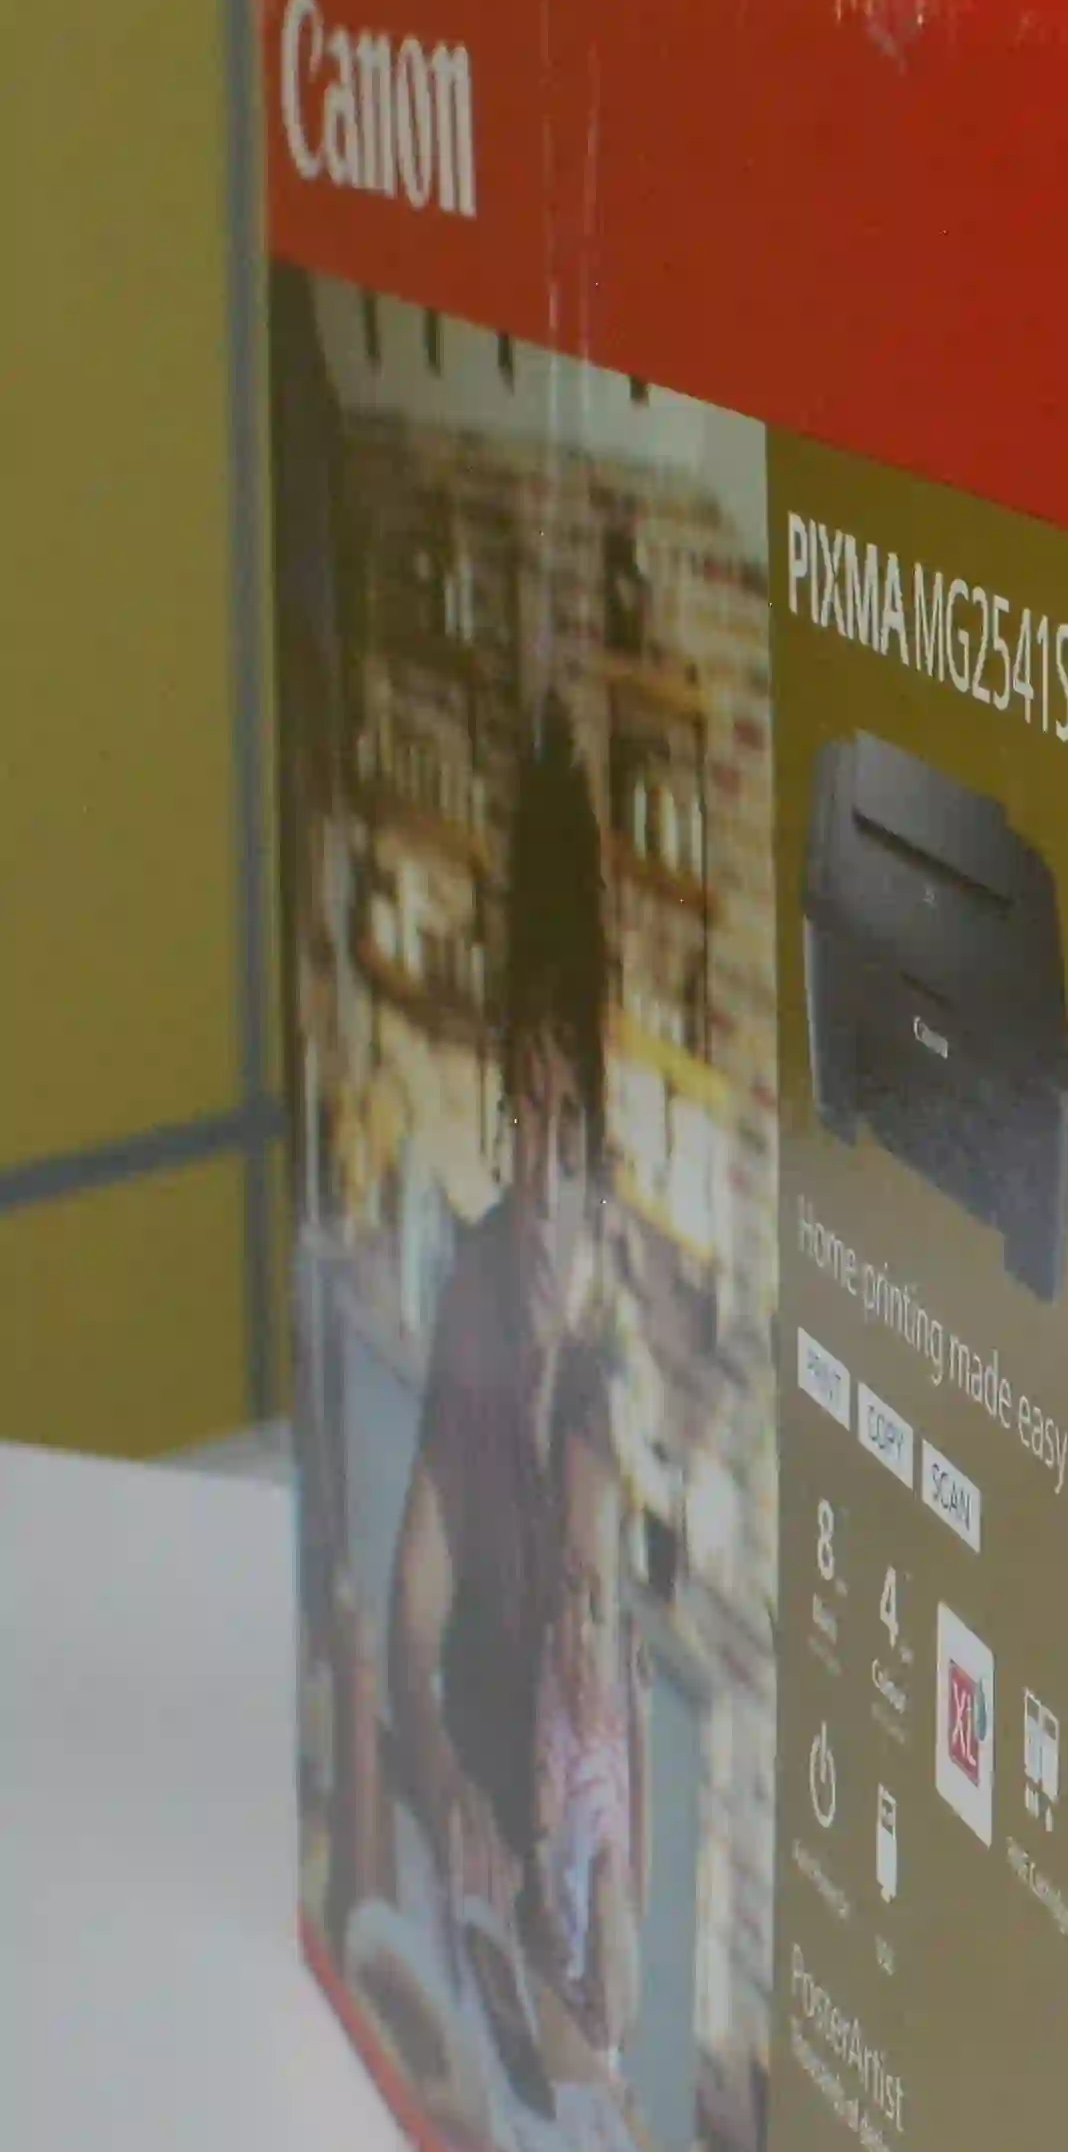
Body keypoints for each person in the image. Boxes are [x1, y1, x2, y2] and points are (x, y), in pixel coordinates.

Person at [388, 697, 633, 1995]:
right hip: (466, 1868)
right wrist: (443, 1786)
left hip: (560, 1919)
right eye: (525, 1114)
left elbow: (604, 1708)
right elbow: (410, 1624)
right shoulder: (476, 1288)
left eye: (571, 1124)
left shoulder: (609, 1364)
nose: (542, 1168)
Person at [530, 1339, 643, 2052]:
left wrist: (620, 1899)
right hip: (554, 1982)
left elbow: (631, 1859)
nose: (578, 1627)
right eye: (568, 1589)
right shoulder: (551, 1689)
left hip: (598, 1998)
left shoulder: (620, 1705)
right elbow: (541, 1814)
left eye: (597, 1601)